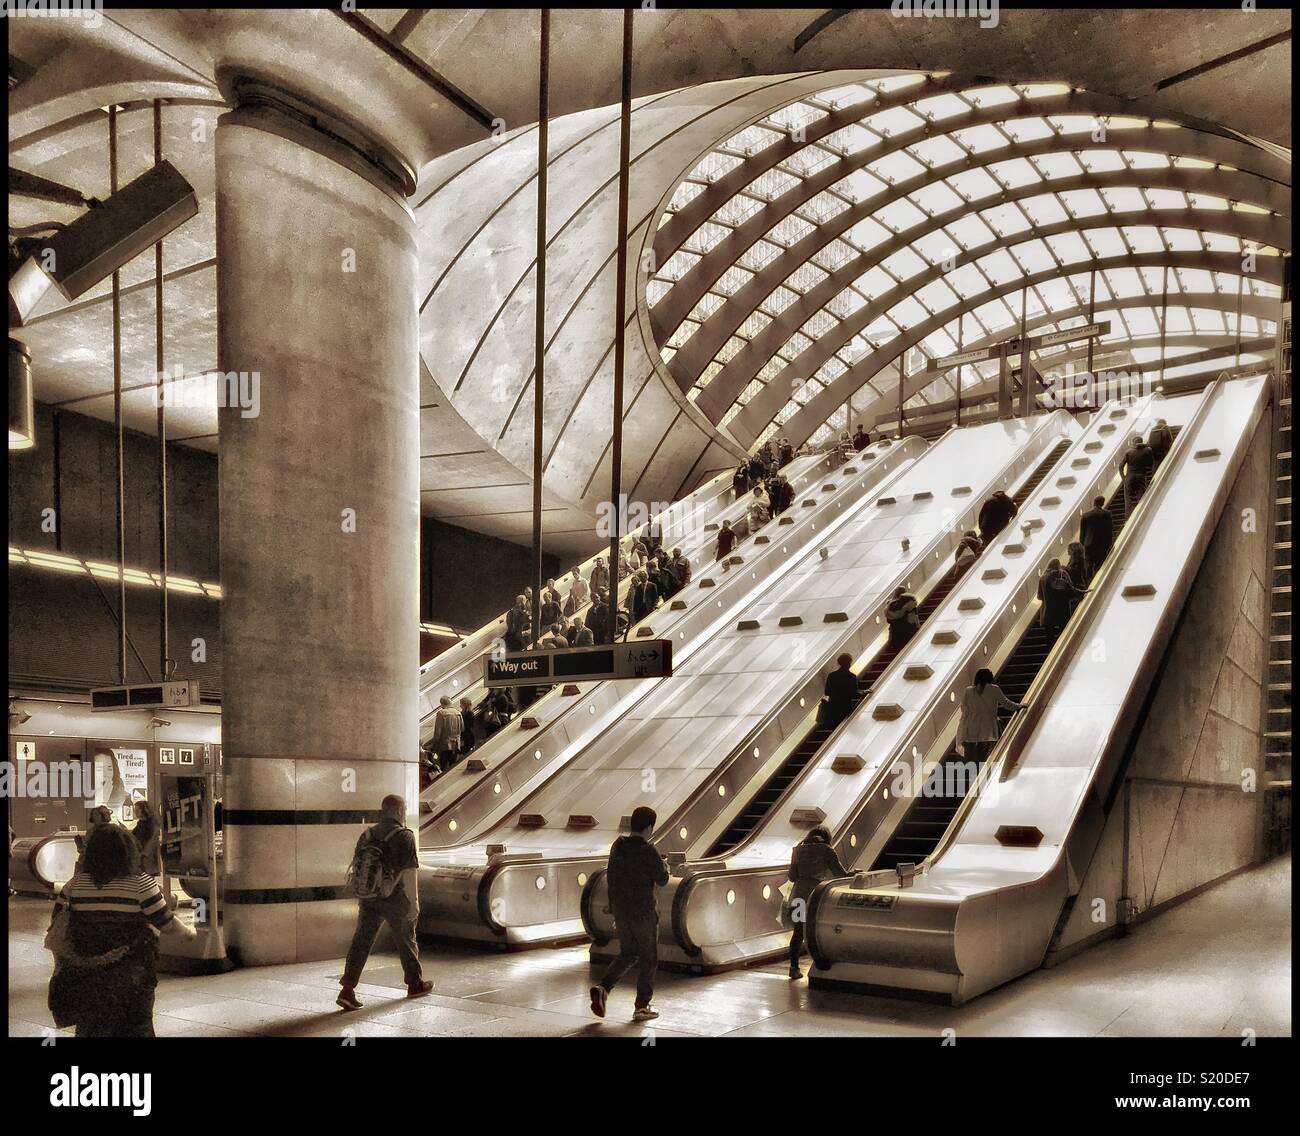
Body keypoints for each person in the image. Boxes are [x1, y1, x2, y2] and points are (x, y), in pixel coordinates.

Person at [52, 822, 196, 1036]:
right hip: (132, 972)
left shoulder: (74, 886)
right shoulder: (141, 885)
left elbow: (57, 924)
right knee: (137, 1026)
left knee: (92, 1027)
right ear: (129, 852)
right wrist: (189, 934)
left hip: (87, 972)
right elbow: (166, 923)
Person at [338, 795, 432, 1010]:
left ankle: (347, 989)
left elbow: (358, 866)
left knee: (361, 941)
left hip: (369, 897)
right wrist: (414, 903)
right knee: (406, 940)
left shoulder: (368, 834)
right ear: (399, 811)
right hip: (395, 899)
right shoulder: (405, 836)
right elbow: (409, 873)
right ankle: (415, 984)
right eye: (405, 809)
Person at [590, 806, 669, 1022]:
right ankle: (642, 1006)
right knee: (648, 958)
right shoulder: (648, 850)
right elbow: (662, 879)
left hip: (622, 911)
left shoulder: (618, 847)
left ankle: (603, 988)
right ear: (649, 827)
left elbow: (612, 879)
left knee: (629, 952)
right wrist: (664, 865)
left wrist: (614, 909)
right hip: (644, 912)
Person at [786, 826, 849, 979]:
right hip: (816, 897)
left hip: (798, 896)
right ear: (827, 837)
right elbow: (840, 874)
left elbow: (792, 877)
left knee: (798, 932)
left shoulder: (798, 850)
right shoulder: (827, 850)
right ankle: (819, 964)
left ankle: (794, 968)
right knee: (814, 931)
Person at [956, 668, 1025, 766]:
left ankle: (972, 774)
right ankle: (981, 773)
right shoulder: (993, 689)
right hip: (987, 726)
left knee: (971, 755)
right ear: (989, 678)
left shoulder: (968, 690)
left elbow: (963, 708)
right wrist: (1018, 706)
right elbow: (1006, 703)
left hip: (971, 726)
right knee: (983, 754)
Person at [1037, 558, 1086, 643]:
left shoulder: (1043, 578)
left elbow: (1039, 596)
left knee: (1049, 636)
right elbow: (1070, 589)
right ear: (1058, 565)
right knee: (1064, 633)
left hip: (1048, 612)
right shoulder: (1063, 574)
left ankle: (1051, 652)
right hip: (1062, 610)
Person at [1079, 494, 1114, 579]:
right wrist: (1109, 543)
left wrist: (1084, 543)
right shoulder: (1107, 514)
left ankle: (1089, 583)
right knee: (1100, 565)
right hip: (1102, 545)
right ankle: (1098, 580)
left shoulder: (1085, 515)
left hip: (1089, 545)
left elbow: (1082, 533)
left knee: (1088, 566)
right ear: (1102, 503)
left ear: (1094, 503)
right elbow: (1109, 530)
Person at [820, 653, 858, 730]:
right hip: (846, 708)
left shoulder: (832, 676)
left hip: (833, 708)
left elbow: (827, 692)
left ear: (839, 663)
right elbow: (854, 694)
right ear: (849, 663)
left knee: (833, 730)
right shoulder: (852, 677)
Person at [1121, 435, 1156, 514]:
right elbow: (1151, 464)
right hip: (1141, 475)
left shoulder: (1128, 452)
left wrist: (1124, 478)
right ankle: (1141, 513)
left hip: (1129, 476)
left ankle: (1128, 517)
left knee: (1128, 499)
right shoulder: (1148, 450)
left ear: (1134, 442)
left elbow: (1120, 467)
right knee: (1141, 496)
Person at [430, 695, 463, 773]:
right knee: (453, 766)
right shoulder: (458, 713)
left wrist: (435, 745)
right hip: (456, 744)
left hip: (444, 744)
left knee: (443, 767)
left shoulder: (441, 713)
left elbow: (438, 732)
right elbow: (462, 728)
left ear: (442, 704)